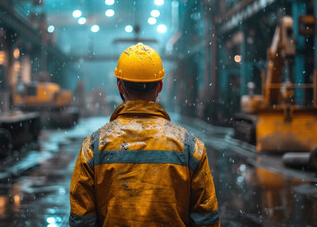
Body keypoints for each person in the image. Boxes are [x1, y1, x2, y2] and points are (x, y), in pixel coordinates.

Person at [69, 43, 220, 227]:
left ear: (120, 86)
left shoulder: (93, 147)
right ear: (160, 86)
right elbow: (207, 220)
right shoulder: (190, 146)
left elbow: (81, 221)